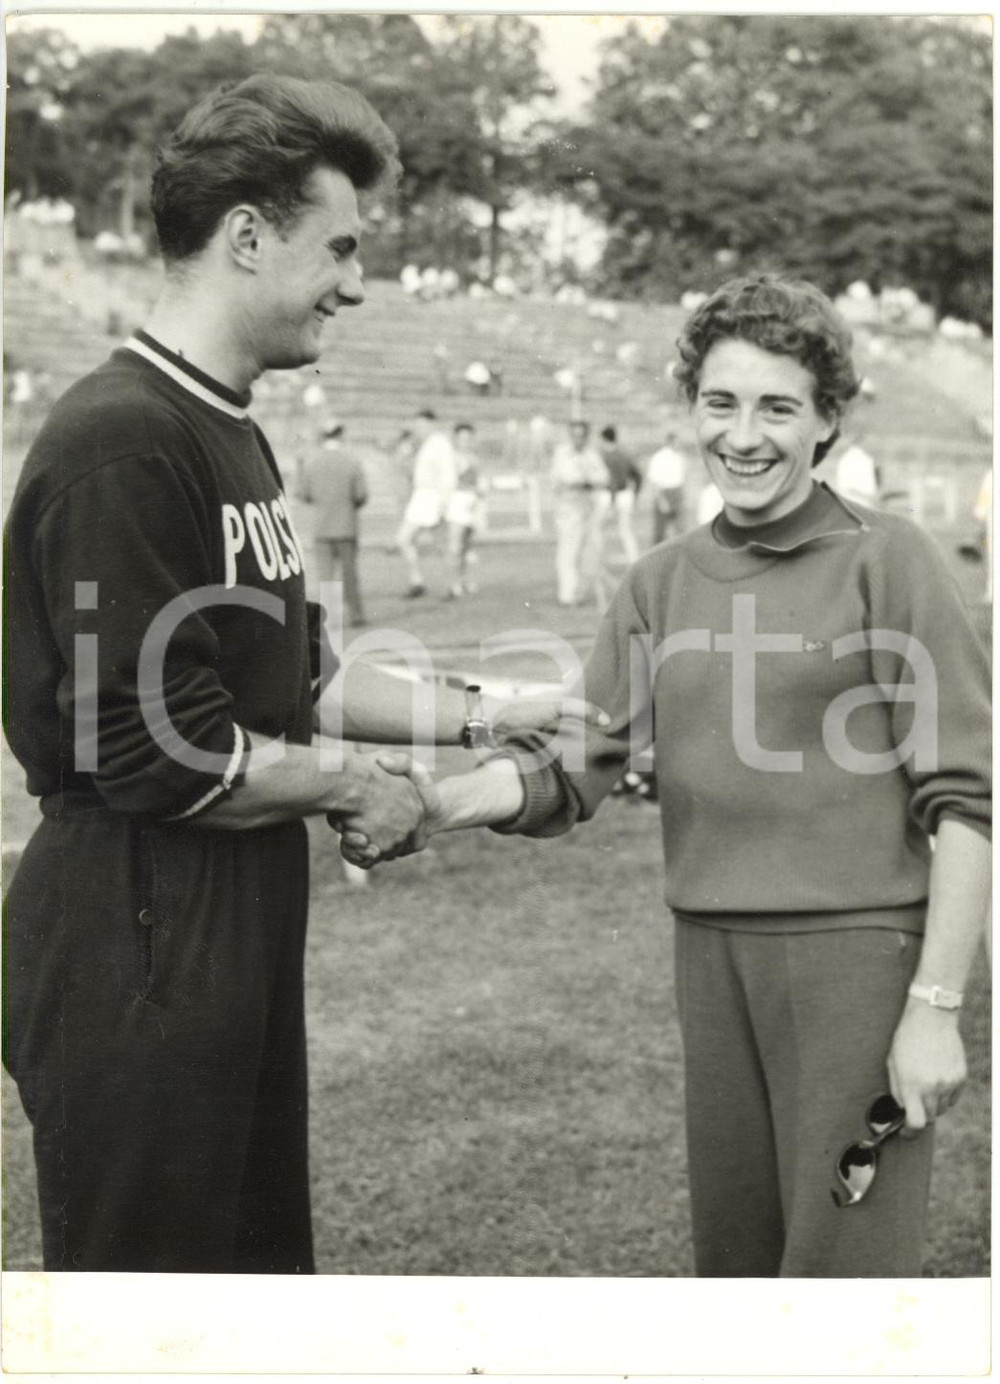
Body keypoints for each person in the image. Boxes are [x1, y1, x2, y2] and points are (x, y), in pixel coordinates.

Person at [3, 73, 606, 1275]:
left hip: (218, 913)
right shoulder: (123, 440)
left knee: (257, 1289)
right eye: (338, 245)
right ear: (245, 236)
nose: (356, 280)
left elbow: (305, 680)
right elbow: (155, 753)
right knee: (157, 1318)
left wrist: (507, 708)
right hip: (139, 928)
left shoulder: (227, 425)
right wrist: (352, 786)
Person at [355, 275, 991, 1279]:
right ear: (691, 406)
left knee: (846, 1287)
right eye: (721, 403)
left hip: (856, 967)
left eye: (778, 407)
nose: (744, 435)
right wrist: (439, 801)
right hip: (710, 960)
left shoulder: (891, 560)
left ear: (828, 419)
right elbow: (575, 765)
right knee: (733, 1279)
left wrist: (934, 1007)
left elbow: (968, 804)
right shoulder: (660, 580)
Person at [299, 419, 369, 627]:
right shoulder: (352, 460)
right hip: (346, 526)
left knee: (326, 575)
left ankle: (330, 617)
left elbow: (305, 494)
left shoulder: (312, 461)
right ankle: (356, 614)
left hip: (322, 526)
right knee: (350, 574)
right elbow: (361, 494)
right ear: (341, 435)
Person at [395, 408, 457, 597]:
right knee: (403, 539)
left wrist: (443, 502)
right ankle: (417, 581)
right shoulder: (423, 444)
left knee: (441, 545)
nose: (419, 428)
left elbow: (448, 475)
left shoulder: (440, 444)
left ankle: (452, 585)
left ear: (431, 424)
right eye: (417, 425)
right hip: (421, 497)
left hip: (433, 497)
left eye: (422, 424)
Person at [550, 418, 611, 608]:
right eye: (574, 435)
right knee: (568, 552)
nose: (578, 439)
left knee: (590, 553)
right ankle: (567, 595)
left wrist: (587, 480)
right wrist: (580, 481)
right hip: (568, 508)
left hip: (589, 508)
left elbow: (603, 477)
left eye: (582, 435)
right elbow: (560, 479)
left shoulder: (591, 455)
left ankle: (579, 593)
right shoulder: (562, 453)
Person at [445, 421, 488, 599]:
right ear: (455, 439)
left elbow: (479, 481)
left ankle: (463, 580)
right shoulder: (451, 458)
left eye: (468, 438)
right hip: (457, 502)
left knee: (467, 546)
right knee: (455, 545)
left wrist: (479, 493)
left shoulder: (474, 458)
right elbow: (453, 482)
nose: (465, 441)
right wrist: (472, 489)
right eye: (462, 438)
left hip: (472, 503)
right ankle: (454, 583)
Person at [598, 424, 643, 565]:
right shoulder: (624, 454)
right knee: (626, 530)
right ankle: (634, 559)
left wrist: (611, 502)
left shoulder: (605, 457)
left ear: (604, 439)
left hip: (610, 496)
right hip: (625, 495)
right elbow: (638, 476)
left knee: (598, 528)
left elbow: (612, 481)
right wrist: (635, 494)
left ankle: (598, 560)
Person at [645, 429, 688, 546]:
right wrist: (661, 500)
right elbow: (654, 482)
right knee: (659, 532)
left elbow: (681, 478)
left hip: (676, 492)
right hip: (664, 492)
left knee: (680, 531)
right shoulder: (659, 457)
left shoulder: (679, 458)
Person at [835, 432, 881, 508]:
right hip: (856, 503)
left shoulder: (866, 458)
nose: (873, 445)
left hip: (865, 503)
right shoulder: (850, 459)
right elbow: (847, 487)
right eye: (869, 442)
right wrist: (868, 497)